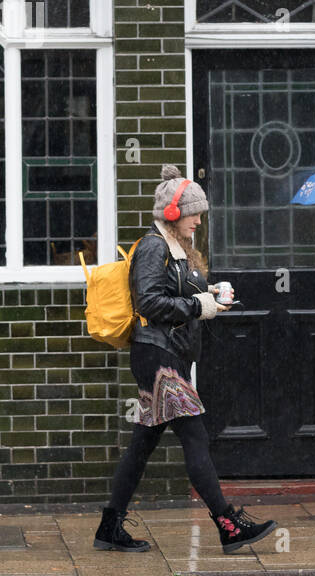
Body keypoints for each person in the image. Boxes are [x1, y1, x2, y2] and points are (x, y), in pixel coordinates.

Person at [94, 164, 277, 555]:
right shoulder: (154, 246)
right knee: (195, 435)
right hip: (157, 358)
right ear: (173, 213)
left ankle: (109, 527)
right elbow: (148, 301)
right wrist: (198, 304)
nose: (198, 219)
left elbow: (176, 295)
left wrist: (211, 294)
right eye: (193, 213)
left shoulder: (177, 249)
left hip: (167, 355)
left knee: (143, 445)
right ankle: (228, 525)